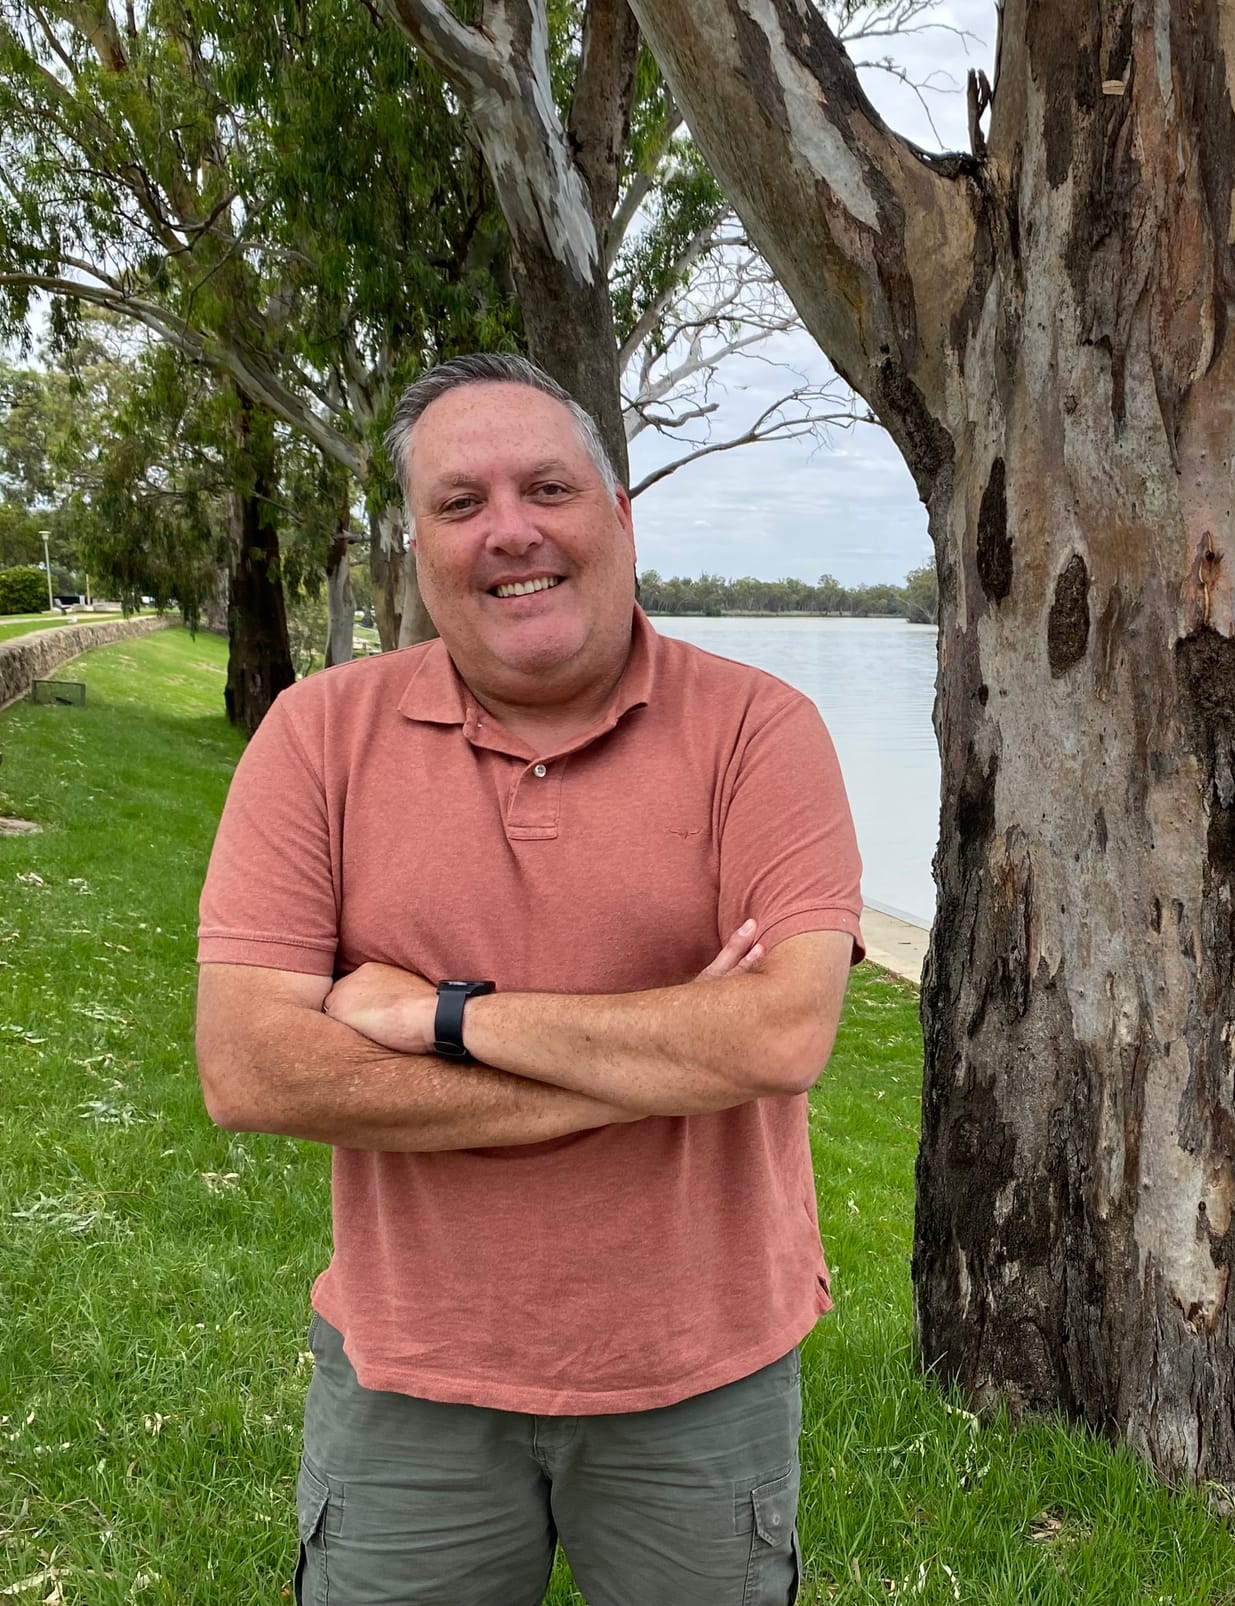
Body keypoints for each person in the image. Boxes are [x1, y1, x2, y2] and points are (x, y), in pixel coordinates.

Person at [194, 352, 863, 1605]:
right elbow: (249, 1065)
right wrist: (660, 1063)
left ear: (616, 516)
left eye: (547, 487)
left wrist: (437, 1017)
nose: (509, 530)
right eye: (458, 504)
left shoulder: (759, 730)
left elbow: (778, 1036)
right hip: (407, 1377)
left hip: (697, 1377)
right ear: (417, 544)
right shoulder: (315, 736)